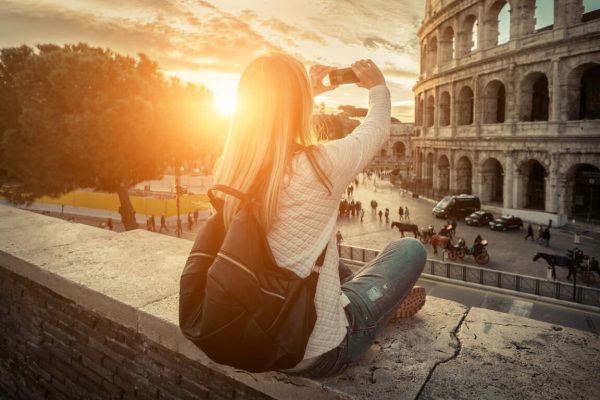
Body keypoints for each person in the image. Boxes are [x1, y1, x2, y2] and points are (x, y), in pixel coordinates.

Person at [210, 53, 426, 377]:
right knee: (410, 250)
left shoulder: (228, 167)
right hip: (320, 351)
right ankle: (376, 308)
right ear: (300, 105)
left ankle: (368, 297)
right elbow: (377, 128)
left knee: (323, 254)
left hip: (253, 330)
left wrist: (303, 94)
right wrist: (378, 86)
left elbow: (270, 126)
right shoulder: (318, 164)